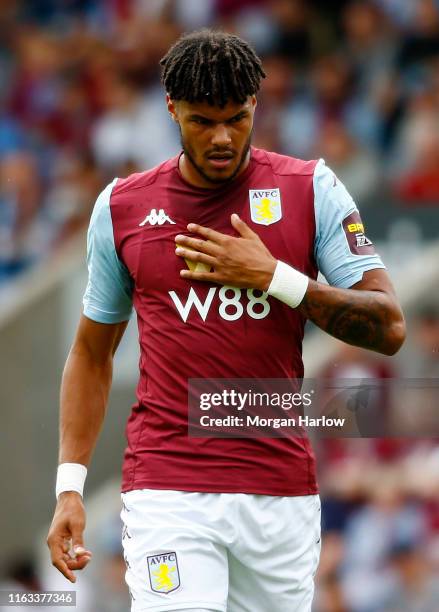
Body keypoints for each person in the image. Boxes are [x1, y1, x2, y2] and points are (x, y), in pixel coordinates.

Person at [47, 29, 406, 612]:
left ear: (256, 106)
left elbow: (389, 327)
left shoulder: (310, 189)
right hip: (168, 485)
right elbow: (91, 352)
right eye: (201, 121)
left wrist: (275, 278)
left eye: (236, 119)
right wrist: (70, 488)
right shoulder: (123, 207)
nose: (221, 138)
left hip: (279, 490)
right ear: (171, 109)